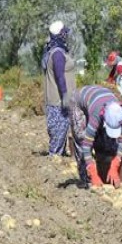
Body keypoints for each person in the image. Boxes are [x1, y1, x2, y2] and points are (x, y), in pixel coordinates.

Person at [70, 85, 122, 188]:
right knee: (81, 137)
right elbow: (86, 145)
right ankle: (86, 179)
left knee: (108, 142)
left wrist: (116, 163)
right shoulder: (96, 115)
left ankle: (104, 172)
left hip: (99, 98)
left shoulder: (121, 116)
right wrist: (92, 171)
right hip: (79, 103)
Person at [41, 21, 75, 158]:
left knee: (62, 129)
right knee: (58, 130)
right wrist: (65, 95)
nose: (66, 35)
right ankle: (54, 156)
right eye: (64, 33)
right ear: (59, 35)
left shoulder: (56, 51)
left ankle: (58, 154)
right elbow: (60, 76)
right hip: (58, 98)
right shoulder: (57, 54)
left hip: (58, 98)